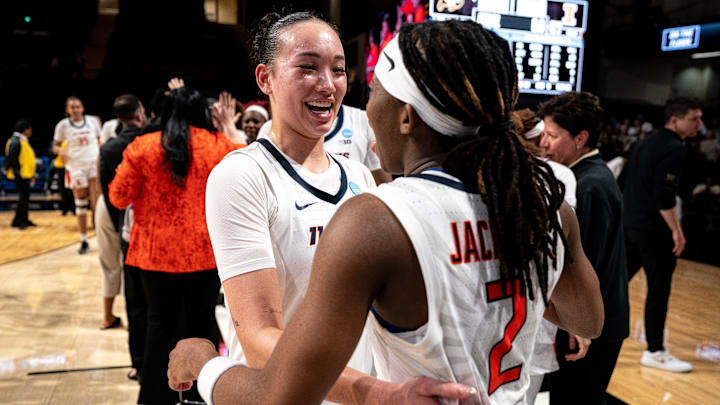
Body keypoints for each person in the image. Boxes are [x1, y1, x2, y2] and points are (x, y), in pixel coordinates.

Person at [167, 20, 604, 405]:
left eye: (358, 81)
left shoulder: (376, 214)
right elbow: (588, 319)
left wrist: (203, 363)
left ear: (407, 117)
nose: (336, 87)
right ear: (266, 77)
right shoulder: (537, 204)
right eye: (308, 67)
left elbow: (277, 395)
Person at [109, 83, 238, 404]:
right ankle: (201, 396)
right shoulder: (219, 147)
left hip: (154, 256)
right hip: (205, 255)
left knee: (159, 326)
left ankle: (154, 398)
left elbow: (118, 196)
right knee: (201, 325)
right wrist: (229, 128)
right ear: (202, 112)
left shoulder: (142, 147)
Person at [538, 92, 629, 404]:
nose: (543, 143)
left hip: (593, 325)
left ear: (581, 138)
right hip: (589, 319)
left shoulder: (590, 184)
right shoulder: (584, 176)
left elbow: (586, 263)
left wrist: (581, 328)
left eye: (552, 135)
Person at [622, 97, 703, 373]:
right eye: (694, 118)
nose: (699, 124)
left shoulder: (644, 142)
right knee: (658, 291)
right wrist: (676, 231)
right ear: (674, 120)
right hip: (654, 232)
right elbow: (664, 195)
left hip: (630, 227)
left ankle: (583, 335)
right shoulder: (675, 148)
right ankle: (654, 350)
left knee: (614, 286)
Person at [511, 109, 577, 405]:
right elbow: (564, 252)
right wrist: (573, 320)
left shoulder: (484, 169)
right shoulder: (560, 175)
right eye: (545, 136)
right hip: (537, 304)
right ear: (537, 138)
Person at [98, 94, 148, 379]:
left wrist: (120, 228)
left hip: (121, 225)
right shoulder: (151, 141)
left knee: (134, 301)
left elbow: (110, 196)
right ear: (140, 112)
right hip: (149, 229)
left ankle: (138, 363)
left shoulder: (108, 148)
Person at [258, 103, 392, 185]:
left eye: (337, 70)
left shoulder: (361, 120)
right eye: (309, 68)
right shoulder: (270, 129)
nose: (326, 82)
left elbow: (383, 186)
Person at [53, 96, 103, 254]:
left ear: (82, 108)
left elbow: (100, 141)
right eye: (72, 107)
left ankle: (100, 238)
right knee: (80, 202)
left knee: (97, 203)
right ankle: (83, 240)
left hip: (93, 164)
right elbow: (55, 145)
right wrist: (60, 150)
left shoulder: (93, 121)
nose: (75, 109)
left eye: (78, 106)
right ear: (68, 110)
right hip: (76, 166)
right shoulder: (63, 125)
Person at [4, 120, 37, 229]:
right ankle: (16, 222)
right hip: (20, 173)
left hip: (25, 173)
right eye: (30, 129)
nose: (31, 131)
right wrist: (10, 169)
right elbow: (11, 157)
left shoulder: (22, 140)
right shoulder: (15, 141)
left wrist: (32, 173)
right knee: (23, 197)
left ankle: (24, 219)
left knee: (26, 197)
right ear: (26, 130)